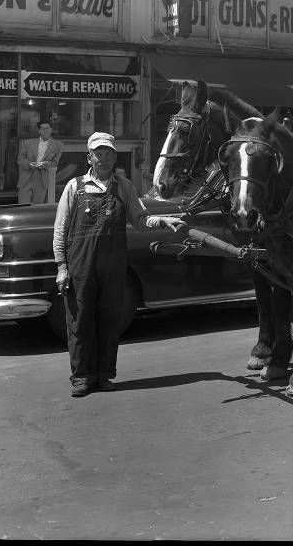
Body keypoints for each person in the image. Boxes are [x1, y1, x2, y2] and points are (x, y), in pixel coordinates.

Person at [52, 131, 183, 397]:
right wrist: (61, 268)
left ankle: (103, 375)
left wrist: (163, 221)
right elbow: (60, 230)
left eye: (108, 153)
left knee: (110, 321)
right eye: (98, 153)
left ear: (114, 157)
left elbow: (140, 219)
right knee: (80, 322)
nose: (103, 158)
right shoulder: (75, 187)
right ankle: (82, 378)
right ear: (89, 157)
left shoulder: (124, 187)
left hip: (113, 267)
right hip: (80, 266)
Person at [17, 117, 64, 204]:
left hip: (42, 178)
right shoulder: (28, 143)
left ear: (51, 129)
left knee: (36, 208)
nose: (45, 130)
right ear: (39, 131)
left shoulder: (58, 145)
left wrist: (46, 163)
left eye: (47, 128)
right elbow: (20, 159)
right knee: (22, 207)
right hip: (27, 177)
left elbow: (55, 162)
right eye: (42, 128)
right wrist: (29, 164)